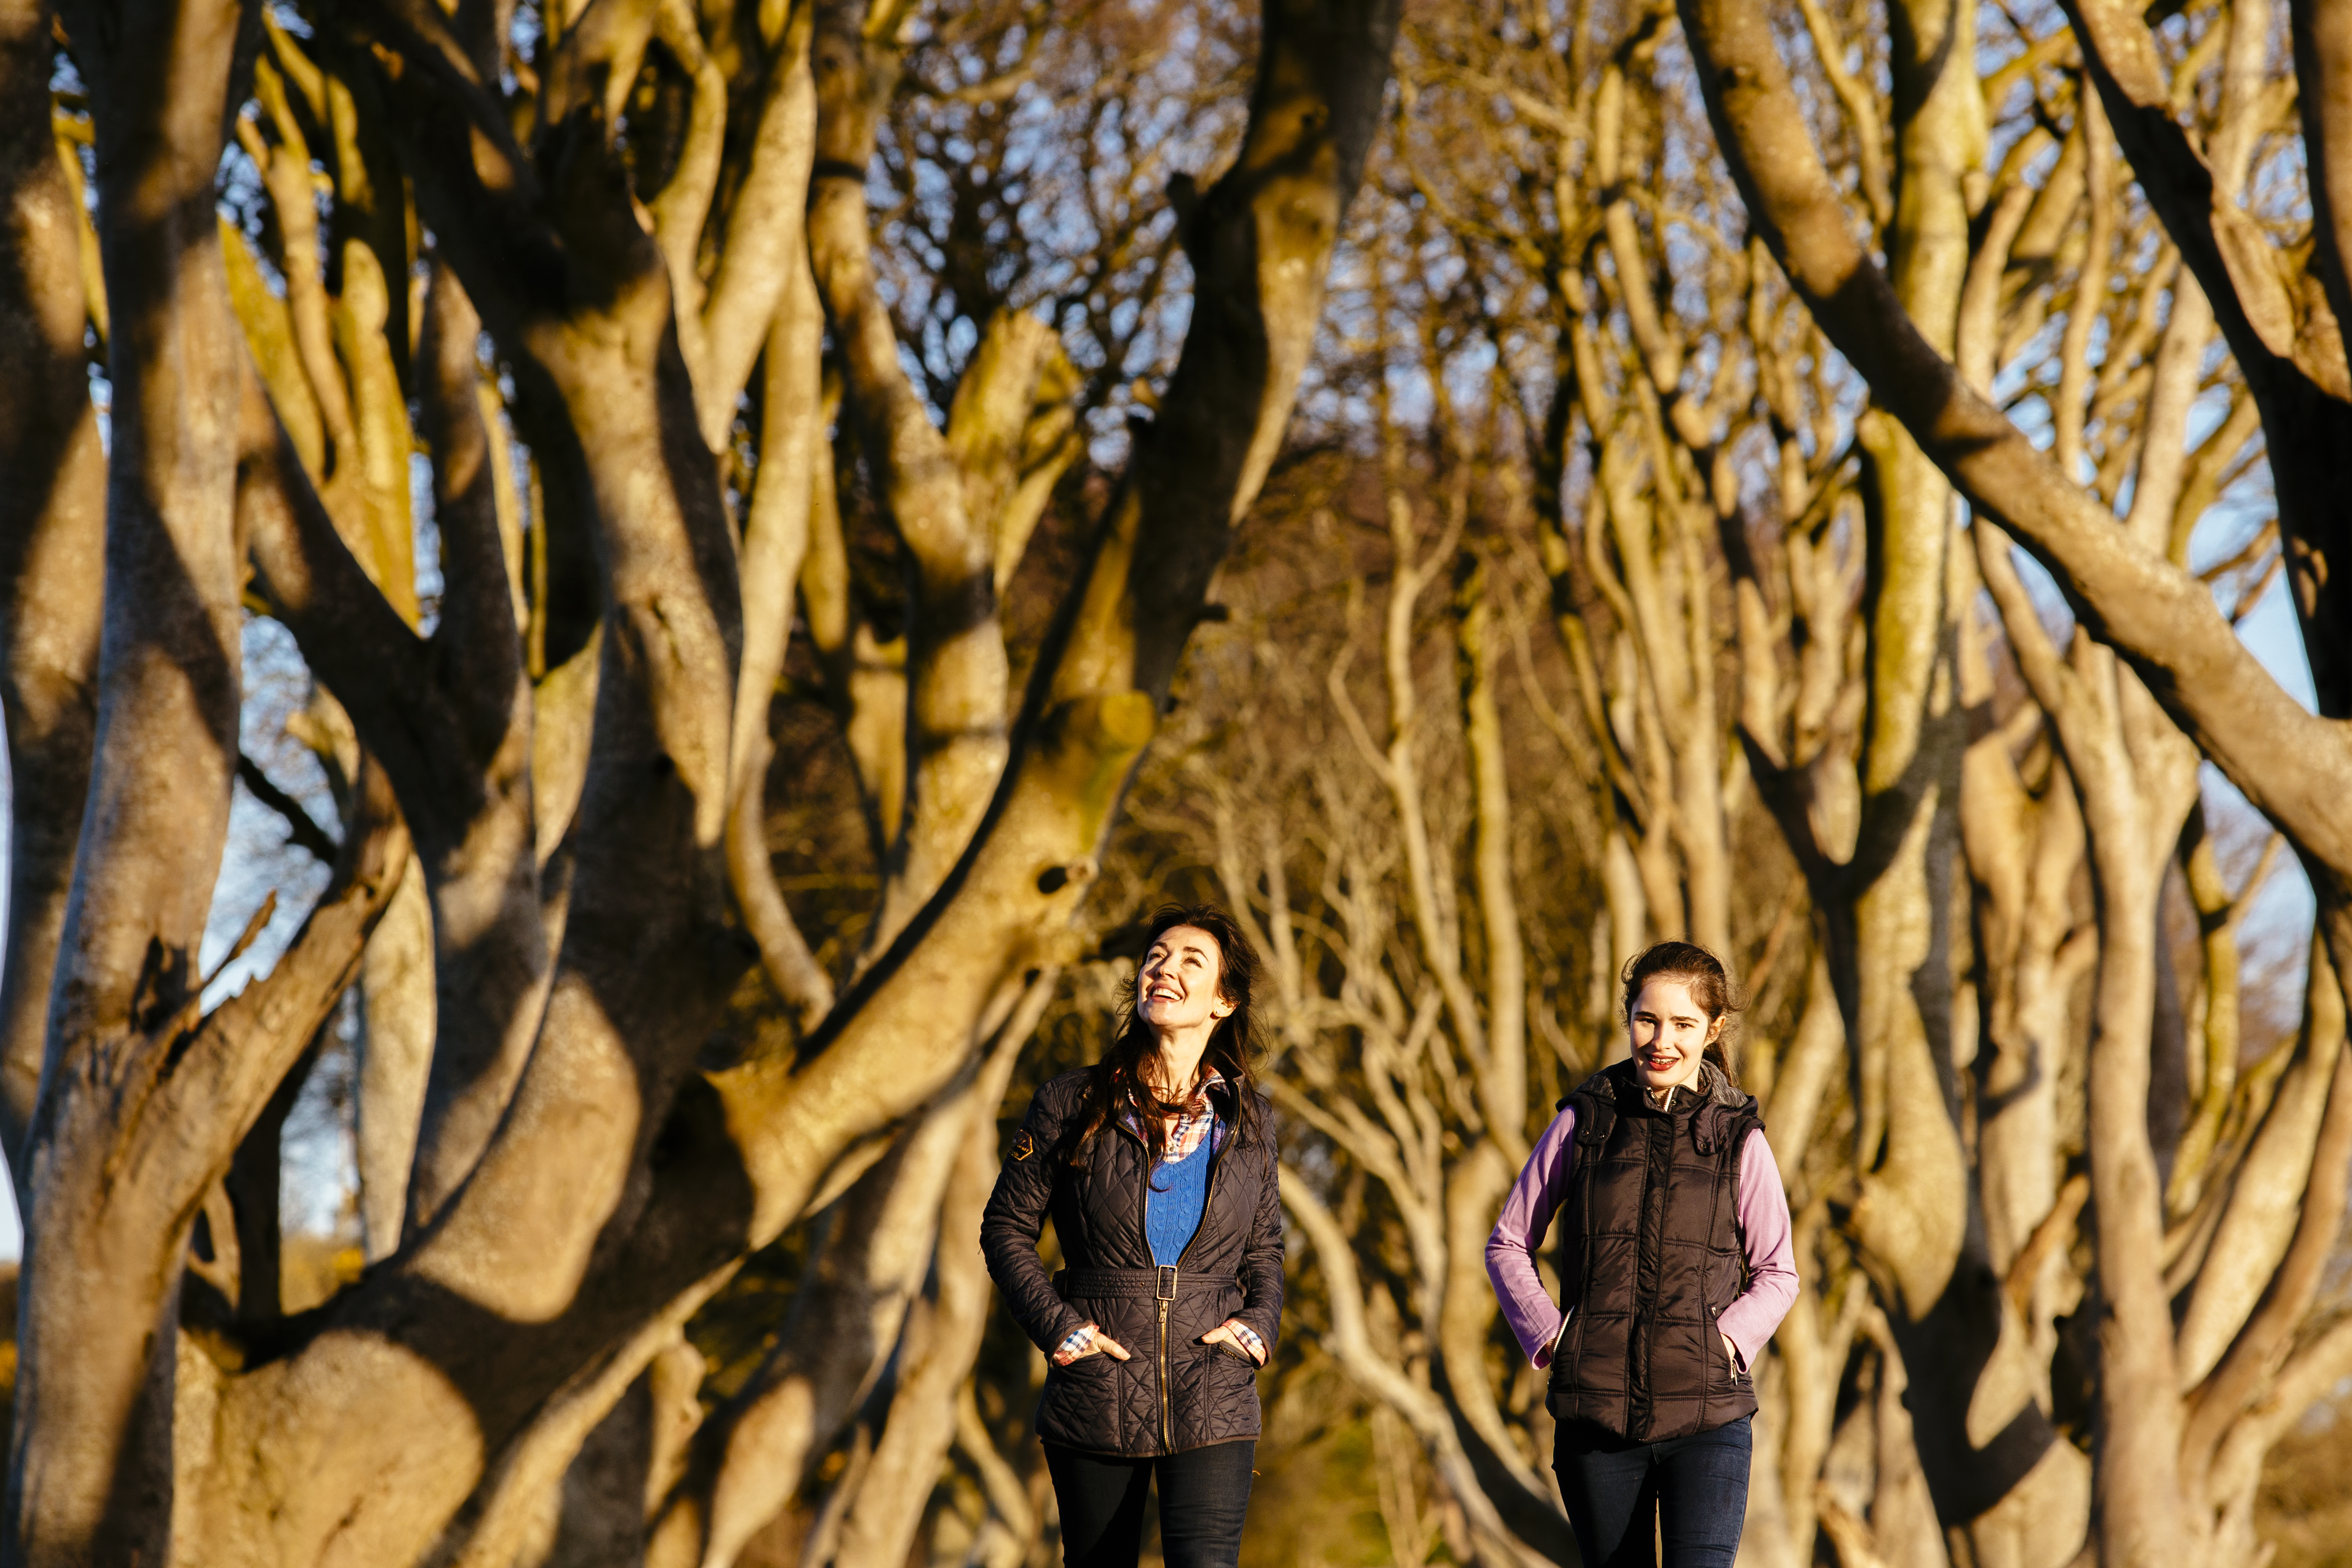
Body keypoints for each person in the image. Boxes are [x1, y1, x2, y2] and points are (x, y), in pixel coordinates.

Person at [981, 903, 1283, 1568]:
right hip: (1097, 1386)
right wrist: (1061, 1331)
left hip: (1215, 1386)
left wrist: (1257, 1328)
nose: (1165, 970)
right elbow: (1005, 1229)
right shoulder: (1069, 1102)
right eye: (1155, 958)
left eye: (1190, 962)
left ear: (1224, 1002)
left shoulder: (1252, 1120)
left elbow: (1264, 1251)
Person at [1487, 940, 1799, 1568]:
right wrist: (1553, 1338)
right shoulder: (1585, 1121)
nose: (1662, 1040)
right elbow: (1508, 1242)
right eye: (1647, 1020)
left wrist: (1727, 1343)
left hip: (1709, 1421)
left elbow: (1777, 1273)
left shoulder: (1738, 1136)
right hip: (1594, 1421)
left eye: (1683, 1025)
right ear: (1628, 1016)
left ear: (1712, 1030)